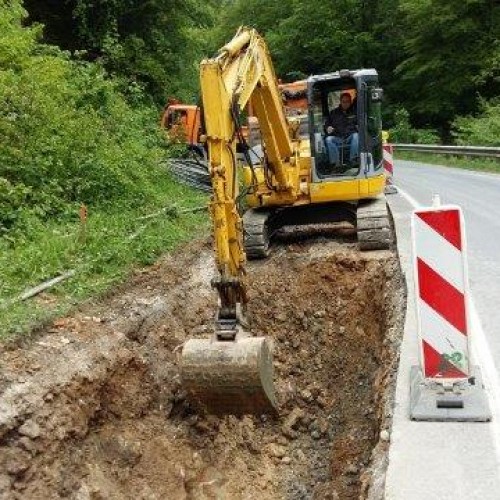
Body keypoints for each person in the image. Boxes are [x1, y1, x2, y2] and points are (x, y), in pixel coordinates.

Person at [324, 92, 359, 165]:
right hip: (338, 138)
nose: (345, 103)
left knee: (356, 135)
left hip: (350, 137)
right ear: (340, 101)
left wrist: (358, 126)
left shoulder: (355, 112)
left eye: (347, 101)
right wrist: (328, 128)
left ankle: (353, 160)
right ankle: (336, 163)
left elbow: (359, 123)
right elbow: (326, 125)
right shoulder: (333, 113)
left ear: (350, 102)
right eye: (344, 101)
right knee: (328, 139)